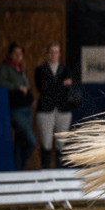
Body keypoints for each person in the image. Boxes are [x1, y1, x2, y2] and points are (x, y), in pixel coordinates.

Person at [0, 42, 37, 170]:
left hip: (27, 108)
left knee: (20, 141)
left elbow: (26, 86)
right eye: (16, 54)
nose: (18, 56)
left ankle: (19, 170)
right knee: (31, 140)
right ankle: (20, 164)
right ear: (10, 54)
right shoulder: (4, 68)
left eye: (20, 54)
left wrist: (31, 97)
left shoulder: (20, 69)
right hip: (16, 109)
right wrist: (17, 87)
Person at [34, 41, 75, 169]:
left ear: (59, 54)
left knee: (61, 142)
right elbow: (43, 88)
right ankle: (45, 170)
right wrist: (61, 85)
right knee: (46, 141)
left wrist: (55, 87)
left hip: (63, 109)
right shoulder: (40, 70)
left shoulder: (66, 70)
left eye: (56, 52)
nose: (53, 55)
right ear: (47, 54)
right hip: (46, 109)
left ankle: (59, 171)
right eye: (51, 52)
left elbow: (67, 89)